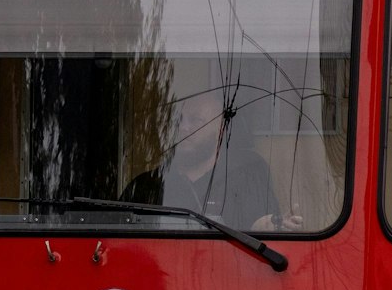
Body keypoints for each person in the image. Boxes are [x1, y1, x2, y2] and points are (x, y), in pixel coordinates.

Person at [120, 94, 297, 231]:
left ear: (220, 129)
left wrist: (267, 229)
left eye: (196, 120)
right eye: (178, 120)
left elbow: (262, 233)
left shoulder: (247, 178)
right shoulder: (145, 185)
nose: (183, 128)